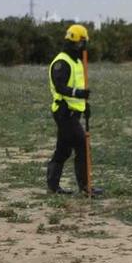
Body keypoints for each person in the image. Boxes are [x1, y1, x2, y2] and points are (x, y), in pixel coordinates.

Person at [47, 23, 97, 194]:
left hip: (73, 113)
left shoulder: (76, 61)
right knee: (82, 146)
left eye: (84, 43)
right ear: (72, 42)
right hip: (64, 113)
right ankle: (85, 187)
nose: (82, 46)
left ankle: (53, 185)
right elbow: (60, 87)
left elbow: (76, 87)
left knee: (63, 149)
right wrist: (79, 93)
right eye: (80, 43)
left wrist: (84, 105)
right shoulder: (62, 62)